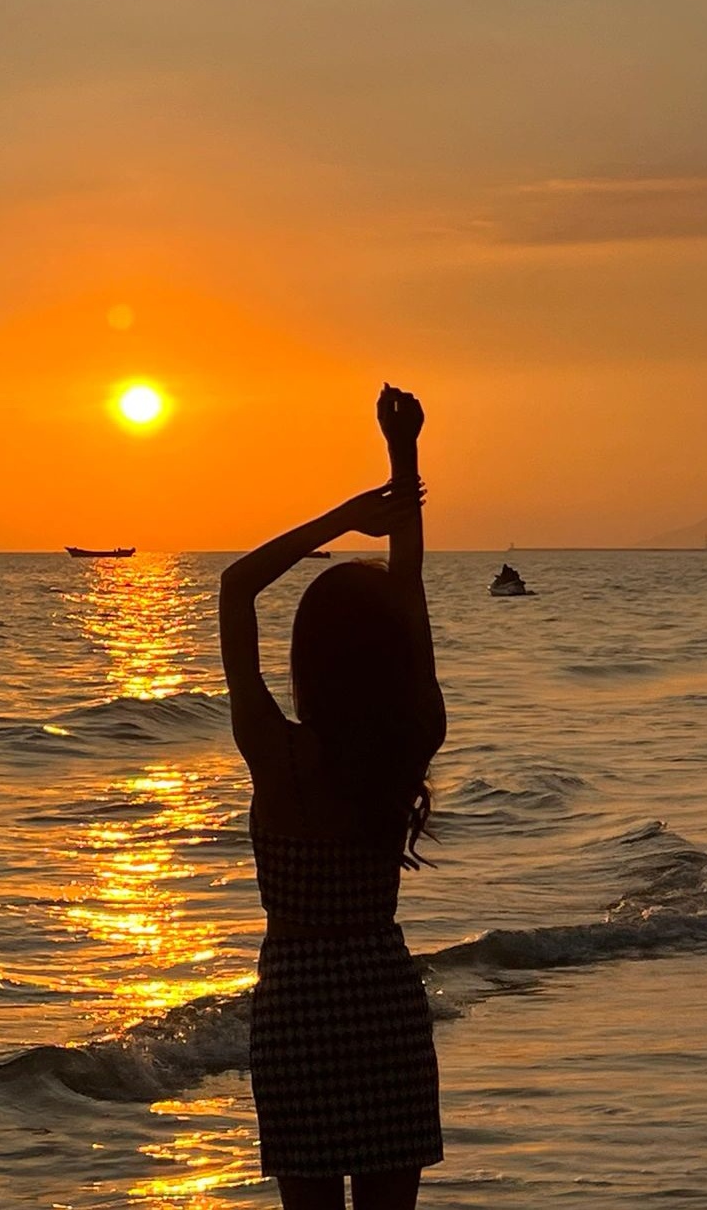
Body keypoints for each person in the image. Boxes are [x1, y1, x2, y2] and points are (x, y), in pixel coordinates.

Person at [219, 384, 446, 1209]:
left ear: (307, 658)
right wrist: (404, 454)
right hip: (382, 1003)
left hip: (300, 1012)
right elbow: (410, 591)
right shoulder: (407, 738)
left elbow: (236, 586)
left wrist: (342, 518)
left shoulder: (277, 756)